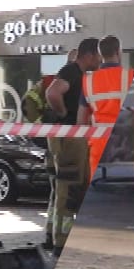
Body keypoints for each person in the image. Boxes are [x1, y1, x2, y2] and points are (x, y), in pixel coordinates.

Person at [41, 35, 103, 251]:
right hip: (69, 137)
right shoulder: (71, 71)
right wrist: (64, 113)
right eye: (99, 56)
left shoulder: (80, 74)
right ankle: (61, 241)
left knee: (62, 188)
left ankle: (53, 235)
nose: (101, 61)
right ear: (89, 55)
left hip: (71, 137)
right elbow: (53, 93)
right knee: (69, 189)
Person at [84, 36, 132, 180]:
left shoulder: (88, 81)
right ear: (118, 51)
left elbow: (82, 120)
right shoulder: (129, 77)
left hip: (97, 146)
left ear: (100, 55)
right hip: (125, 151)